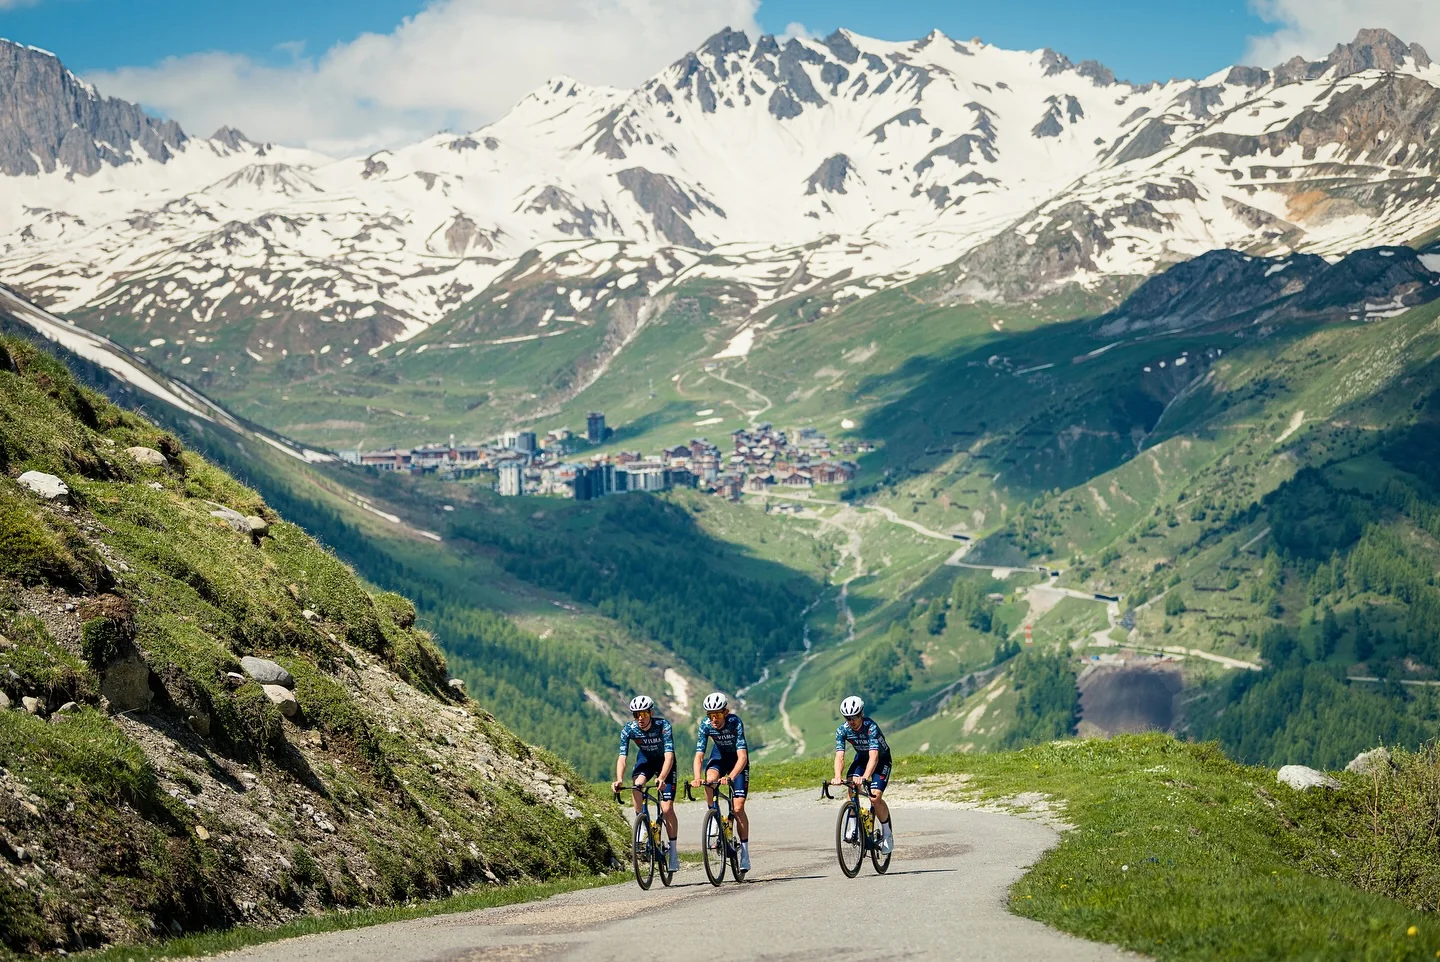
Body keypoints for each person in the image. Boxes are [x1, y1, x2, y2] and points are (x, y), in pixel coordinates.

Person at [613, 694, 679, 873]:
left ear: (651, 712)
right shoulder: (629, 729)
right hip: (646, 761)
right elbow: (622, 757)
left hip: (665, 764)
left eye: (643, 714)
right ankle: (642, 821)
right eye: (636, 715)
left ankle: (673, 852)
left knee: (666, 809)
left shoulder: (663, 726)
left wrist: (663, 777)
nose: (640, 718)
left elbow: (669, 756)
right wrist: (619, 779)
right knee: (637, 785)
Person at [691, 691, 751, 872]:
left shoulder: (734, 723)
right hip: (719, 756)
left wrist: (731, 776)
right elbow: (699, 755)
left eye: (717, 714)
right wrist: (696, 778)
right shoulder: (705, 725)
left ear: (725, 712)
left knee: (738, 807)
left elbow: (742, 757)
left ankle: (745, 853)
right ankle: (714, 815)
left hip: (737, 762)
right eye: (710, 715)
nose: (713, 719)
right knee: (709, 780)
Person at [831, 695, 893, 854]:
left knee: (874, 796)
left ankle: (887, 834)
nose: (851, 721)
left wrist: (865, 777)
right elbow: (840, 756)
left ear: (861, 714)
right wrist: (837, 776)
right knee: (851, 787)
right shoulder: (842, 730)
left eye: (854, 717)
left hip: (881, 760)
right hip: (861, 758)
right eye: (847, 718)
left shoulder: (871, 727)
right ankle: (853, 829)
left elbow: (874, 757)